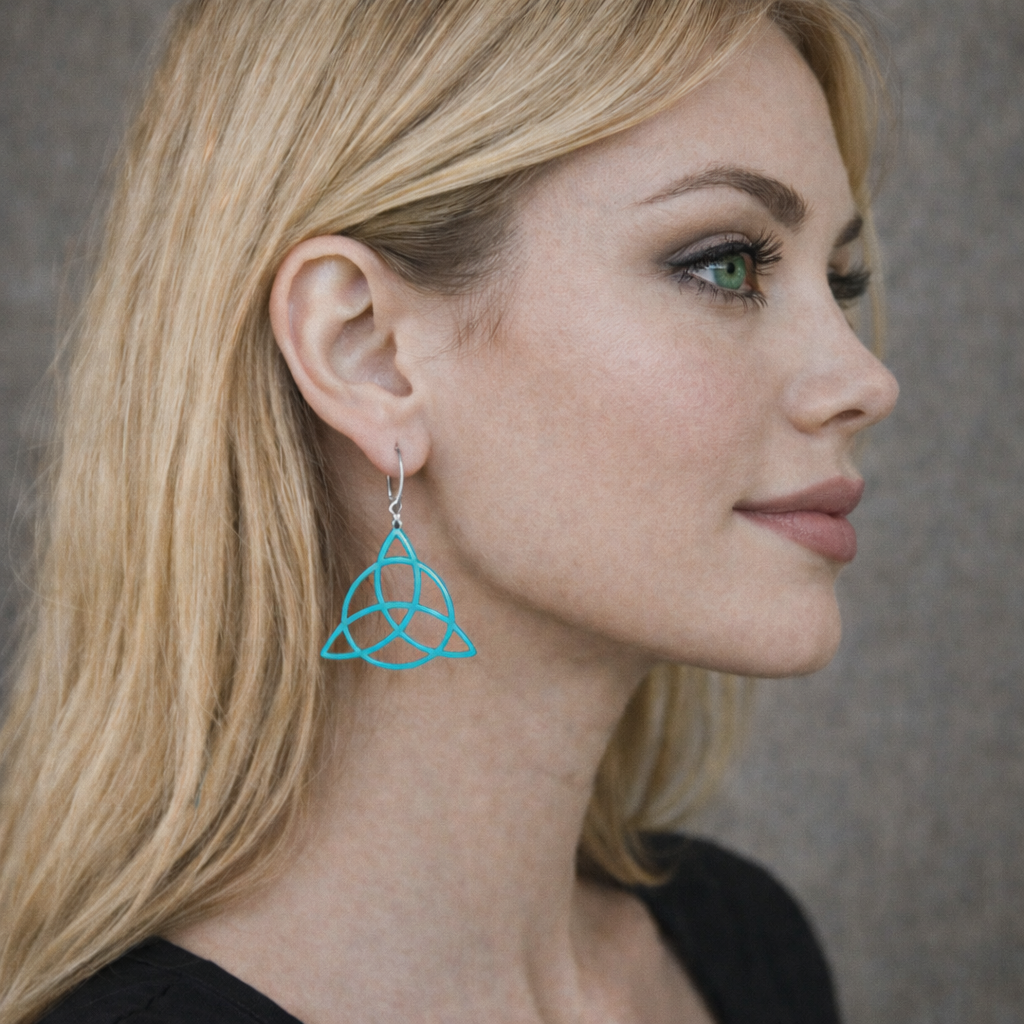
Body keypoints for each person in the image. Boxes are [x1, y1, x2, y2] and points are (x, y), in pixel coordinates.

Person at [0, 1, 899, 1022]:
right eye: (724, 265)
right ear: (367, 352)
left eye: (841, 280)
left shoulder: (744, 948)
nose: (864, 379)